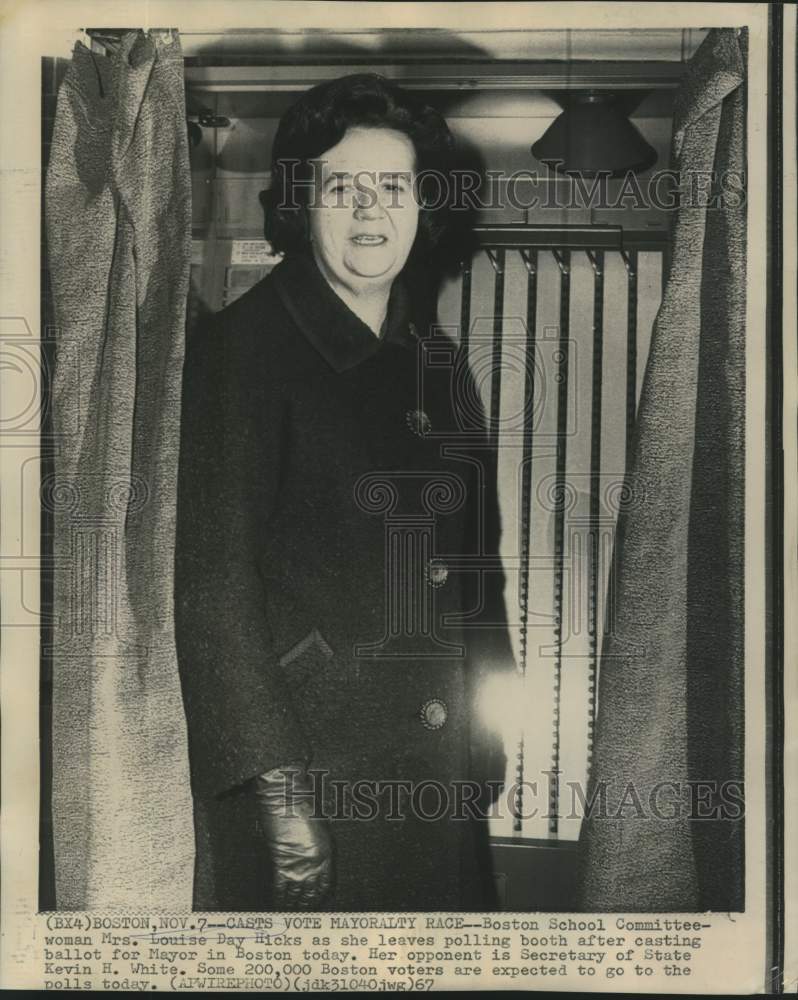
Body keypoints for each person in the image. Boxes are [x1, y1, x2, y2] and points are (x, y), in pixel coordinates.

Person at [174, 73, 517, 912]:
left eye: (393, 186)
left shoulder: (437, 370)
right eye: (342, 187)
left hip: (437, 777)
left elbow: (475, 573)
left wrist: (486, 736)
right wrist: (283, 802)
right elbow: (211, 592)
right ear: (301, 204)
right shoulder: (241, 353)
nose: (371, 210)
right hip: (309, 790)